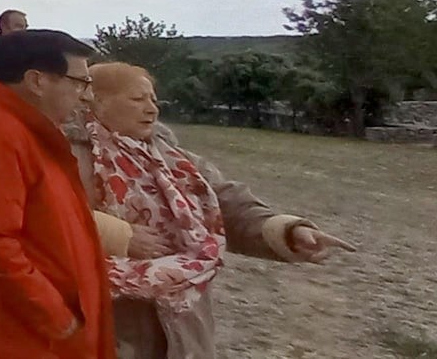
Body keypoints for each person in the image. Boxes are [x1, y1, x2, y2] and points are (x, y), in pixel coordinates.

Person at [77, 62, 354, 358]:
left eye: (153, 100)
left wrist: (287, 230)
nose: (151, 110)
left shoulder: (175, 159)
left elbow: (224, 202)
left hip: (184, 325)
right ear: (98, 100)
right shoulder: (67, 155)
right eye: (137, 99)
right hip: (109, 320)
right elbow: (46, 220)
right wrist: (118, 236)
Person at [0, 29, 109, 359]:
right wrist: (56, 316)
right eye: (80, 82)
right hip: (19, 337)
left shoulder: (29, 131)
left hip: (35, 333)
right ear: (37, 81)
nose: (87, 96)